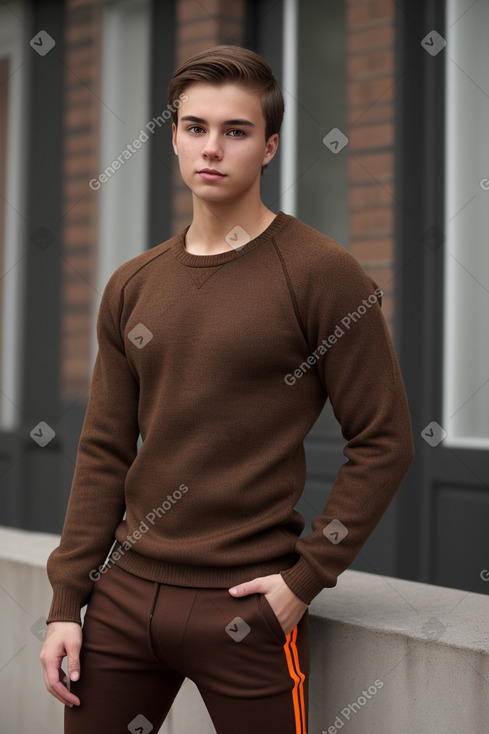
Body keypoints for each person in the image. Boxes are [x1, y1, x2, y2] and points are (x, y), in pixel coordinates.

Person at [40, 44, 414, 734]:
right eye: (194, 128)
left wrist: (304, 581)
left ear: (269, 147)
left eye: (235, 131)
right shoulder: (133, 283)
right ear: (174, 139)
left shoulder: (321, 274)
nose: (211, 148)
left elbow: (384, 440)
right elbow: (102, 449)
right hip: (122, 600)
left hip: (244, 604)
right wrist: (68, 602)